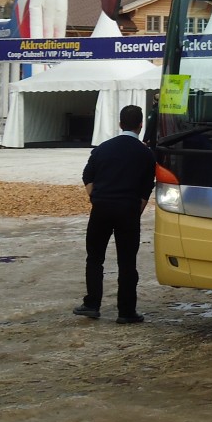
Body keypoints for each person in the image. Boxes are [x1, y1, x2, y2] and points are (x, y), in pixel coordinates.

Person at [74, 105, 156, 324]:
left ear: (120, 124)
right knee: (127, 262)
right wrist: (135, 209)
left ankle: (92, 304)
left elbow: (87, 175)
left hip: (101, 208)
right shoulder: (146, 154)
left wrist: (95, 198)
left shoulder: (103, 148)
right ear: (141, 125)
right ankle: (126, 311)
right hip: (128, 210)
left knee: (95, 258)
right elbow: (147, 187)